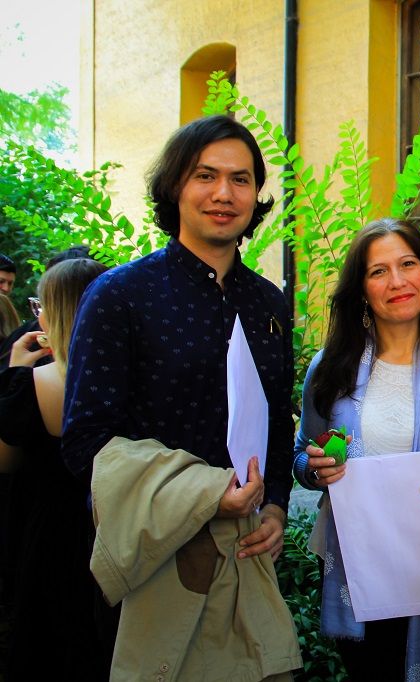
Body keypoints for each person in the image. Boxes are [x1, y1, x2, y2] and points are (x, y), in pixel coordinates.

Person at [62, 115, 301, 679]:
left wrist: (274, 505)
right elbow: (86, 442)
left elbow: (276, 421)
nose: (224, 193)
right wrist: (205, 494)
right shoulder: (120, 296)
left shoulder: (268, 304)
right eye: (205, 176)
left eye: (241, 179)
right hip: (155, 561)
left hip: (246, 556)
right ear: (175, 187)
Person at [293, 218, 420, 681]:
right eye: (378, 271)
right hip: (358, 563)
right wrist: (315, 469)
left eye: (408, 264)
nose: (396, 281)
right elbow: (302, 453)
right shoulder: (331, 368)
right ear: (361, 290)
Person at [0, 258, 108, 679]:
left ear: (57, 313)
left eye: (40, 306)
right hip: (117, 531)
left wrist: (14, 371)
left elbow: (5, 460)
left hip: (49, 537)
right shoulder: (132, 380)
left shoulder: (35, 382)